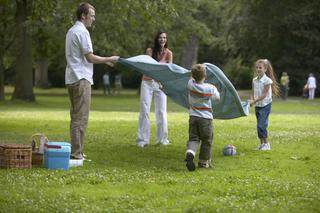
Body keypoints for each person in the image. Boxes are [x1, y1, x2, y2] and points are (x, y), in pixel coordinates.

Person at [65, 2, 119, 159]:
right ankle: (77, 153)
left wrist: (106, 61)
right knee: (81, 118)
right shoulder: (82, 32)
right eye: (92, 15)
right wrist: (110, 58)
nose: (93, 19)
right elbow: (89, 57)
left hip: (72, 78)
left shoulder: (71, 31)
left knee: (76, 116)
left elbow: (82, 57)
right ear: (83, 15)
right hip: (81, 79)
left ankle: (78, 151)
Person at [136, 31, 173, 148]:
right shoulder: (150, 51)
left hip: (161, 84)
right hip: (147, 82)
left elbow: (169, 70)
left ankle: (162, 139)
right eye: (160, 38)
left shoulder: (169, 53)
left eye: (164, 38)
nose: (163, 40)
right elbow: (146, 67)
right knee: (144, 110)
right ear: (157, 39)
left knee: (161, 111)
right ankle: (142, 140)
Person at [185, 64, 220, 171]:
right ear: (205, 76)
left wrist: (196, 70)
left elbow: (192, 78)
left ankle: (190, 152)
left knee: (194, 138)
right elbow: (217, 98)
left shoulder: (190, 84)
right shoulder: (210, 88)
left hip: (193, 117)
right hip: (206, 119)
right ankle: (203, 162)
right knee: (206, 140)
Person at [250, 59, 279, 151]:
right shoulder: (254, 80)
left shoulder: (267, 81)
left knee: (262, 125)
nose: (258, 69)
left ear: (265, 69)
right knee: (259, 125)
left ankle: (267, 144)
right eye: (257, 67)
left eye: (260, 68)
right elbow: (253, 92)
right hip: (258, 105)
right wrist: (251, 100)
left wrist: (254, 101)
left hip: (265, 105)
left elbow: (263, 95)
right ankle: (262, 144)